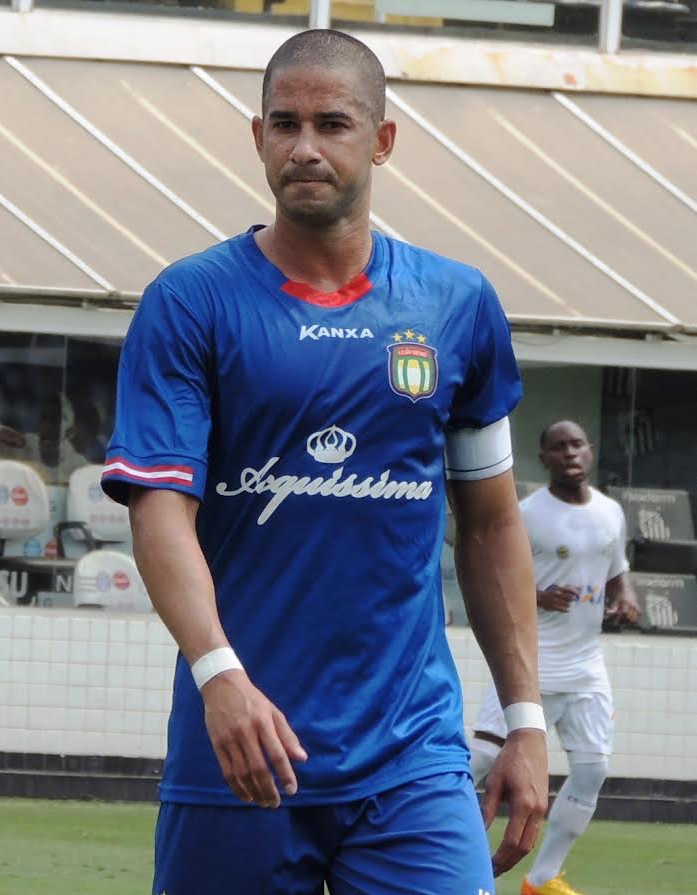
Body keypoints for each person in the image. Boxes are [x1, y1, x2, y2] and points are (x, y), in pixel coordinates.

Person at [101, 29, 548, 895]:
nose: (304, 147)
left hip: (412, 755)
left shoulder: (456, 305)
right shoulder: (190, 302)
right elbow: (158, 511)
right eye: (284, 124)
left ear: (382, 140)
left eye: (332, 123)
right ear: (258, 136)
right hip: (242, 745)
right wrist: (218, 674)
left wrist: (524, 719)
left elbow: (491, 524)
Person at [469, 420, 641, 895]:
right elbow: (493, 576)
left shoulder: (610, 512)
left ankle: (542, 879)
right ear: (543, 457)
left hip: (585, 667)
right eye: (559, 447)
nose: (570, 453)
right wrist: (539, 596)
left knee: (592, 770)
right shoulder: (526, 514)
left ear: (591, 450)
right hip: (530, 663)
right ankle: (449, 857)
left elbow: (617, 572)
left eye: (577, 444)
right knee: (480, 759)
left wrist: (626, 598)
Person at [0, 392, 87, 484]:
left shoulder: (79, 468)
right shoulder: (24, 448)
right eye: (44, 419)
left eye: (56, 421)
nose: (47, 426)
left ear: (70, 432)